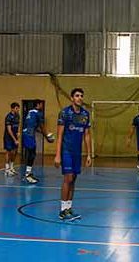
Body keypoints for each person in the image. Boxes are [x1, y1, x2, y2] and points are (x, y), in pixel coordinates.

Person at [54, 88, 92, 221]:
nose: (80, 98)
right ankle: (62, 210)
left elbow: (87, 135)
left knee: (74, 179)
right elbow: (59, 136)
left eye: (81, 95)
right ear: (72, 98)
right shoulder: (64, 113)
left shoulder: (85, 115)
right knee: (68, 178)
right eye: (77, 95)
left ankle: (69, 208)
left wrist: (88, 154)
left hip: (77, 152)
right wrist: (57, 155)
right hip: (66, 151)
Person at [22, 99, 54, 184]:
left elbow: (32, 126)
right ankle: (27, 175)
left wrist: (41, 132)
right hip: (29, 135)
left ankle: (28, 173)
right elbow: (42, 127)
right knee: (32, 154)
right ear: (38, 104)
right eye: (41, 104)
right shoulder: (38, 113)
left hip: (26, 134)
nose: (42, 106)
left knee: (31, 153)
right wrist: (47, 136)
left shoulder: (30, 112)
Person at [4, 102, 20, 176]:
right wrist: (14, 139)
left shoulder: (18, 116)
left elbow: (18, 125)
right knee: (8, 152)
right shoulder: (8, 117)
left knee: (15, 151)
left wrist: (18, 132)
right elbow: (9, 130)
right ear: (12, 108)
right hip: (8, 137)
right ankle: (7, 170)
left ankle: (11, 168)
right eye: (16, 108)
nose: (18, 110)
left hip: (15, 137)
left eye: (18, 108)